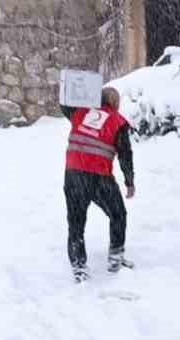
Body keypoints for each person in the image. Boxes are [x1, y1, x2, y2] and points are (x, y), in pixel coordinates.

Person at [62, 87, 136, 283]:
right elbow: (125, 154)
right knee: (118, 214)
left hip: (74, 175)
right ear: (115, 103)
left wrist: (76, 87)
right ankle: (115, 258)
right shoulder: (117, 121)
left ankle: (78, 266)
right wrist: (129, 181)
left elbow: (64, 104)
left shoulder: (80, 113)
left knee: (76, 222)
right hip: (99, 177)